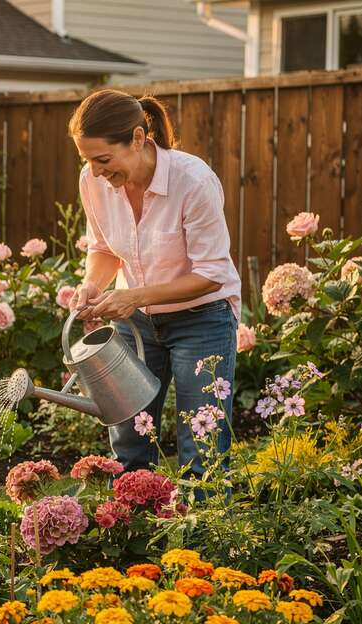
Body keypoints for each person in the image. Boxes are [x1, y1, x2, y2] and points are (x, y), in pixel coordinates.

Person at [69, 88, 242, 480]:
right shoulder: (92, 181)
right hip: (136, 326)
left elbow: (211, 273)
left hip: (202, 321)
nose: (95, 171)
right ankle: (133, 533)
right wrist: (91, 285)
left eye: (103, 159)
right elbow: (103, 249)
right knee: (129, 440)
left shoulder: (193, 181)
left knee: (202, 447)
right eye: (87, 161)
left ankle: (202, 536)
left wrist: (133, 296)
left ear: (137, 138)